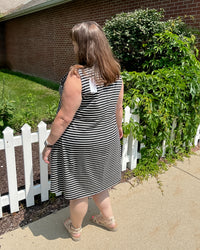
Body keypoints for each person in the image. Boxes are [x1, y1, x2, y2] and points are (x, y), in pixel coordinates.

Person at [42, 21, 124, 241]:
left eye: (74, 43)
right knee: (100, 183)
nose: (73, 47)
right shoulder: (115, 72)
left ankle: (75, 228)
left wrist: (49, 144)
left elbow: (63, 117)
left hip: (81, 143)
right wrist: (119, 128)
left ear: (83, 46)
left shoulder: (77, 77)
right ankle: (109, 220)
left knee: (79, 190)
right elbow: (118, 108)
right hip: (106, 138)